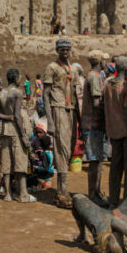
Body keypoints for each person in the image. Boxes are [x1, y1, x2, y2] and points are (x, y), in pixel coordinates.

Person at [43, 37, 80, 209]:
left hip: (70, 109)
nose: (65, 52)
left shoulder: (72, 68)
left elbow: (75, 92)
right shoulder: (52, 67)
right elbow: (45, 94)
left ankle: (63, 189)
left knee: (69, 147)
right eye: (62, 49)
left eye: (67, 49)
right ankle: (61, 192)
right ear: (57, 51)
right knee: (62, 147)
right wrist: (49, 120)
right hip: (57, 108)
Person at [0, 68, 34, 203]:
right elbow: (17, 116)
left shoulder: (2, 93)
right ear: (16, 78)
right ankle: (23, 194)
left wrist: (7, 117)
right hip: (16, 130)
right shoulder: (16, 92)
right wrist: (23, 136)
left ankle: (7, 194)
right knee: (20, 162)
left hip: (4, 129)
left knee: (6, 163)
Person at [104, 56, 127, 207]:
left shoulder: (107, 83)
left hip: (112, 129)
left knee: (115, 167)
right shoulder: (126, 87)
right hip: (126, 131)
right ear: (126, 69)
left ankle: (113, 200)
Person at [83, 49, 107, 205]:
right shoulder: (94, 77)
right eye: (105, 60)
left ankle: (96, 191)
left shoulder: (94, 76)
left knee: (97, 160)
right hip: (93, 125)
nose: (107, 63)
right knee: (94, 161)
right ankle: (93, 193)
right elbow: (97, 103)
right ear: (100, 62)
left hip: (94, 124)